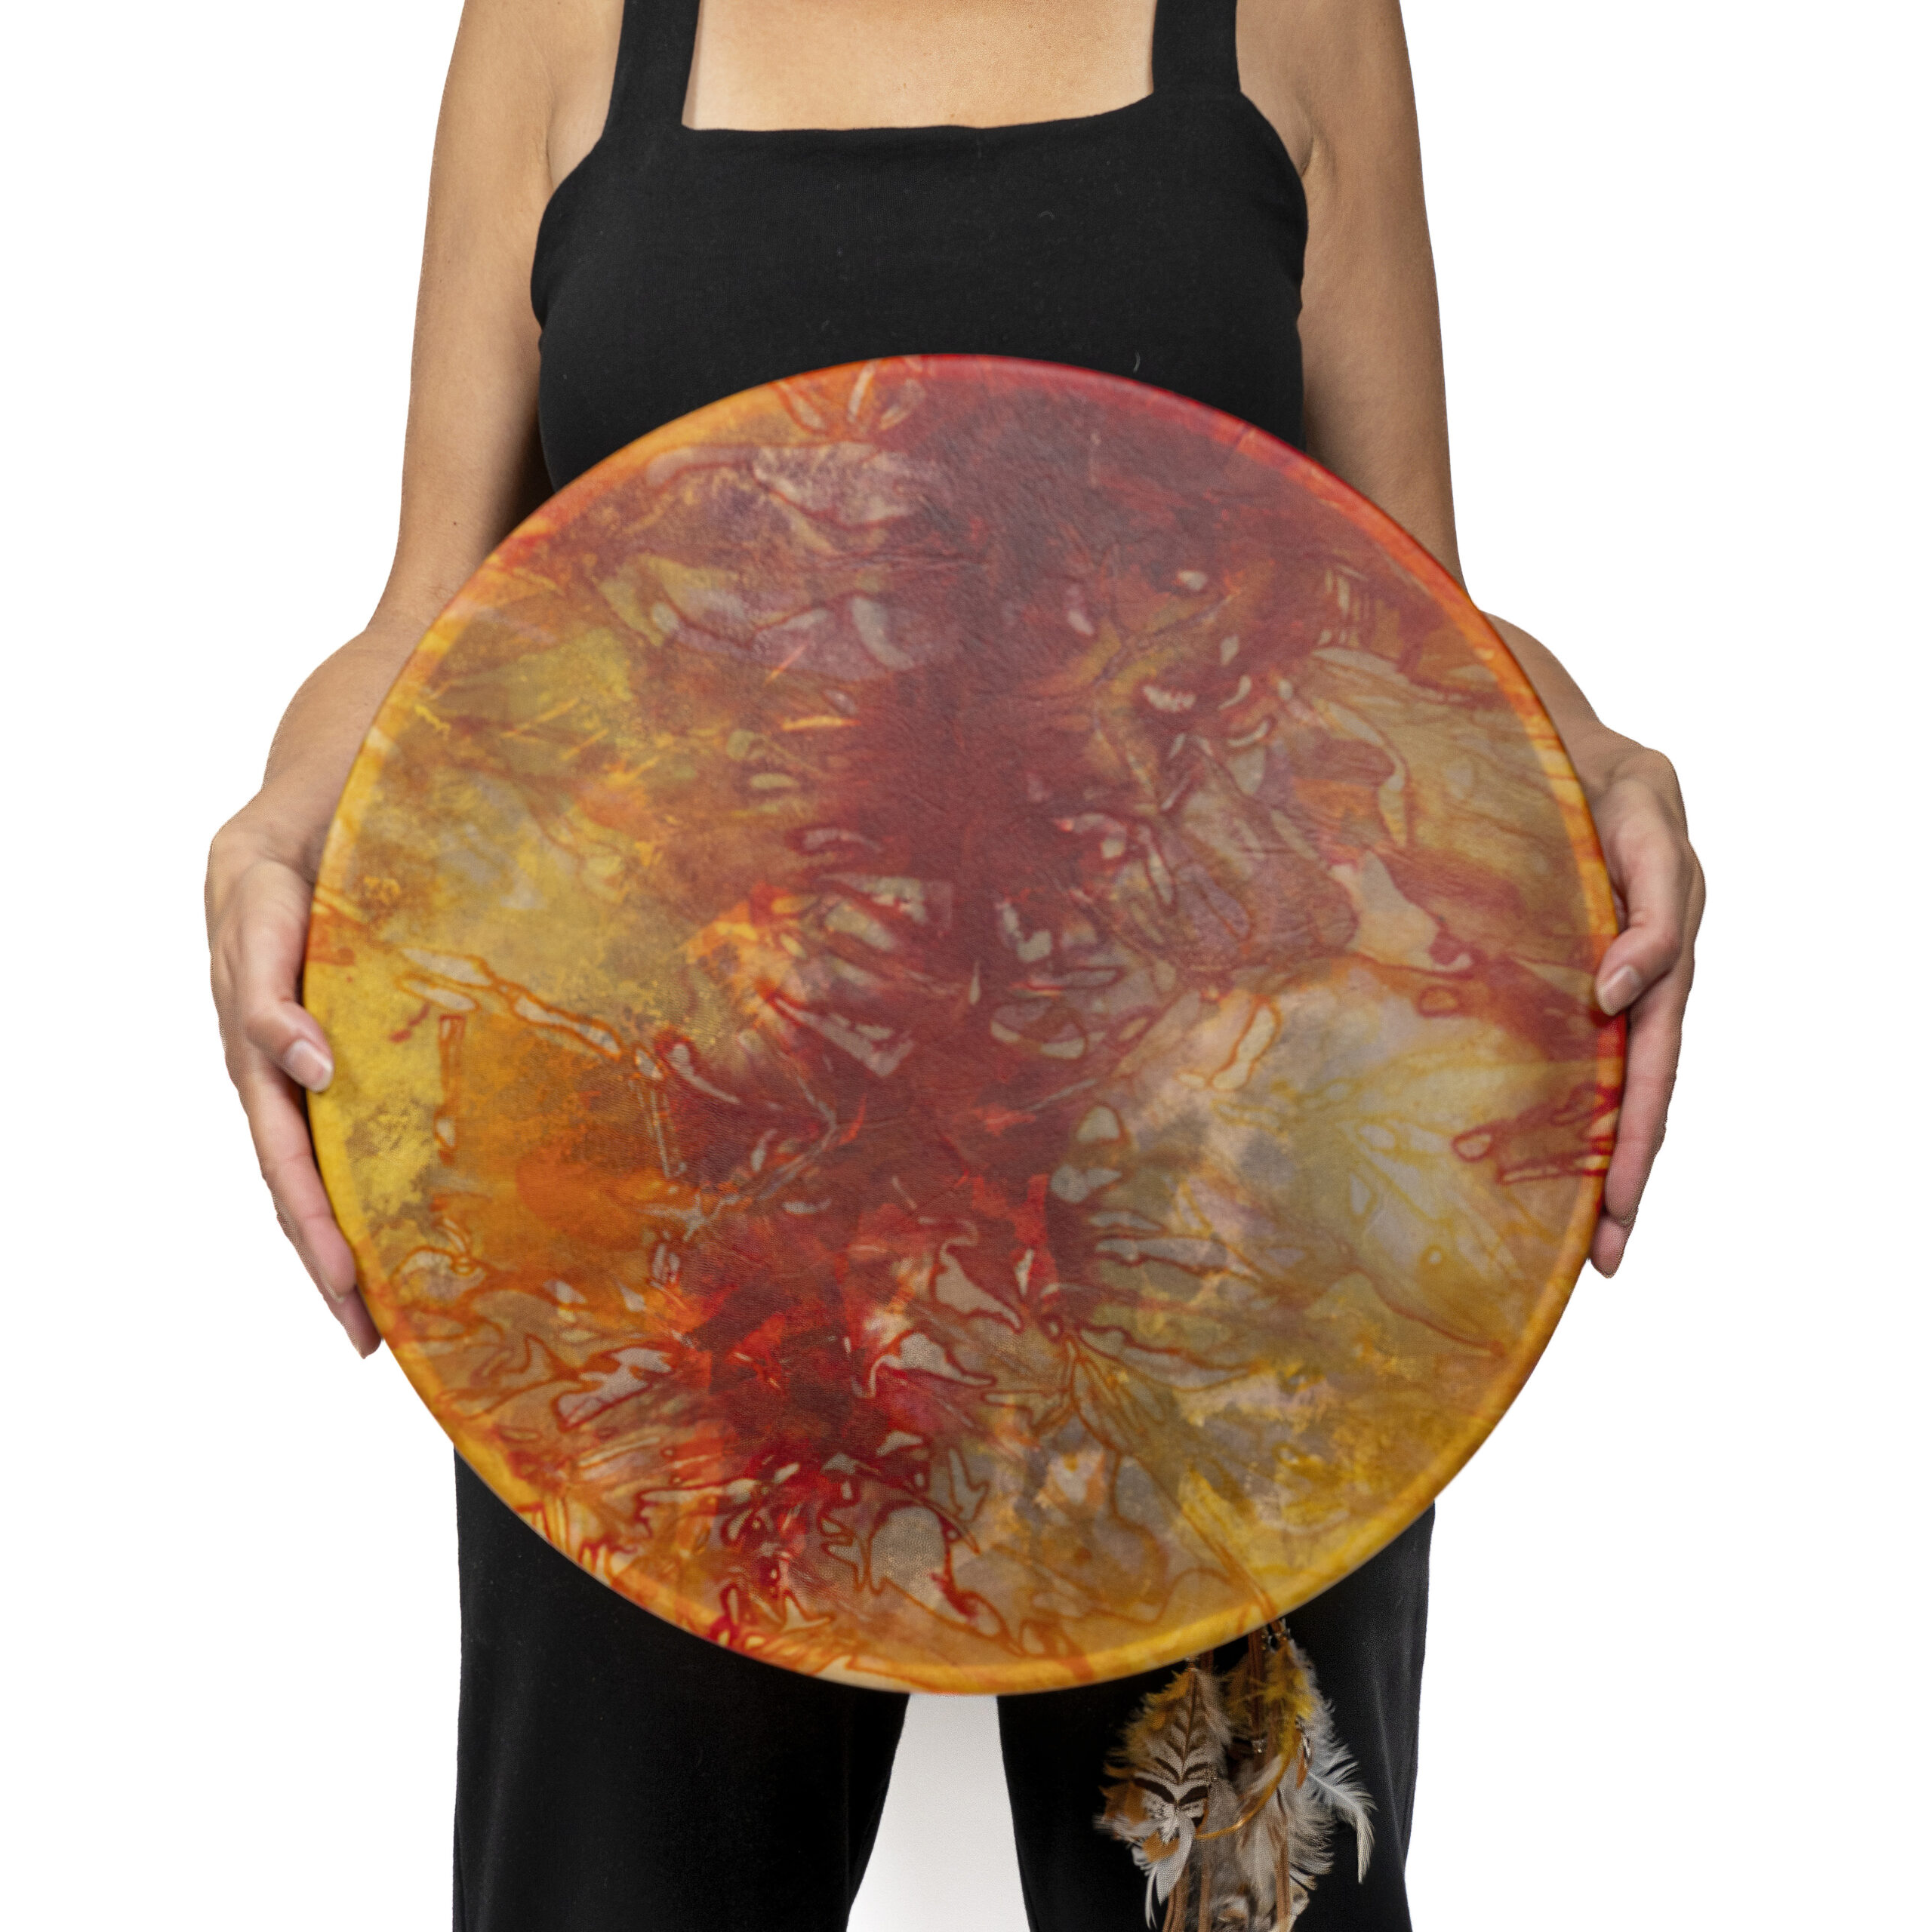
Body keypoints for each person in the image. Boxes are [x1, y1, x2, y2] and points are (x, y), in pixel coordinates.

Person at [205, 3, 1704, 1926]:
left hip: (1211, 1253)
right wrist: (275, 822)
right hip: (657, 1258)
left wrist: (1590, 763)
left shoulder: (1298, 17)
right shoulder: (563, 27)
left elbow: (1406, 617)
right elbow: (434, 609)